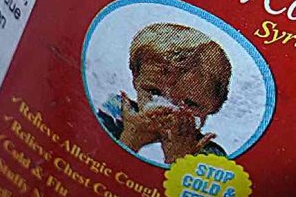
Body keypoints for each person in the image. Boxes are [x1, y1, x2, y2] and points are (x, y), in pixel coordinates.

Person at [97, 20, 236, 166]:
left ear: (214, 106)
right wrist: (131, 138)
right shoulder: (116, 112)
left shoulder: (209, 153)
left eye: (190, 103)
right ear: (136, 81)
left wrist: (180, 159)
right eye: (154, 92)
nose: (168, 110)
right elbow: (97, 160)